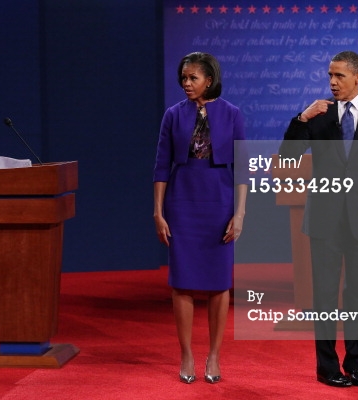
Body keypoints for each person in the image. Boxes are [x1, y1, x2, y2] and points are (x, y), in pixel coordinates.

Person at [279, 51, 358, 387]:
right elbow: (288, 157)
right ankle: (327, 368)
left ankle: (356, 366)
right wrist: (302, 118)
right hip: (325, 221)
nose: (332, 82)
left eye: (339, 76)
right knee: (326, 296)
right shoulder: (318, 114)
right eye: (330, 75)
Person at [153, 52, 248, 384]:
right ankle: (187, 354)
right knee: (182, 280)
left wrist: (239, 213)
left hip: (219, 201)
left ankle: (214, 355)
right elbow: (161, 166)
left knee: (219, 282)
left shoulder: (233, 114)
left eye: (193, 77)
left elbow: (243, 169)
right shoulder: (172, 115)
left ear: (209, 79)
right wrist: (158, 212)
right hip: (183, 202)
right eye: (183, 77)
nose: (186, 83)